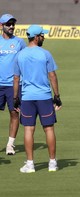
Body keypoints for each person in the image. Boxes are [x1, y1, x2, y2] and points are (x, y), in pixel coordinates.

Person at [13, 25, 62, 173]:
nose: (44, 37)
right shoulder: (45, 54)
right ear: (36, 37)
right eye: (42, 35)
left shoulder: (20, 55)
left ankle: (30, 164)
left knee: (28, 129)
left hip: (27, 97)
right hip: (44, 97)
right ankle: (52, 163)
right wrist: (57, 96)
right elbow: (52, 75)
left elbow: (16, 78)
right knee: (49, 129)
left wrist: (16, 98)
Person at [0, 14, 26, 155]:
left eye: (13, 24)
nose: (11, 26)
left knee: (14, 113)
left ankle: (10, 145)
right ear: (1, 26)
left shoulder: (20, 42)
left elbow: (25, 62)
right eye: (8, 24)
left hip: (14, 85)